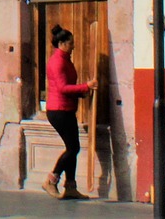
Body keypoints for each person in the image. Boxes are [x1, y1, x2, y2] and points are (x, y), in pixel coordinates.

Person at [44, 26, 94, 199]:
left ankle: (70, 186)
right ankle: (51, 180)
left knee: (72, 148)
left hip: (66, 109)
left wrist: (81, 92)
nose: (73, 46)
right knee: (73, 148)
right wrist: (85, 86)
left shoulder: (66, 60)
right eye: (71, 43)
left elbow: (68, 86)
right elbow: (63, 88)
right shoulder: (57, 62)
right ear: (61, 44)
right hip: (58, 111)